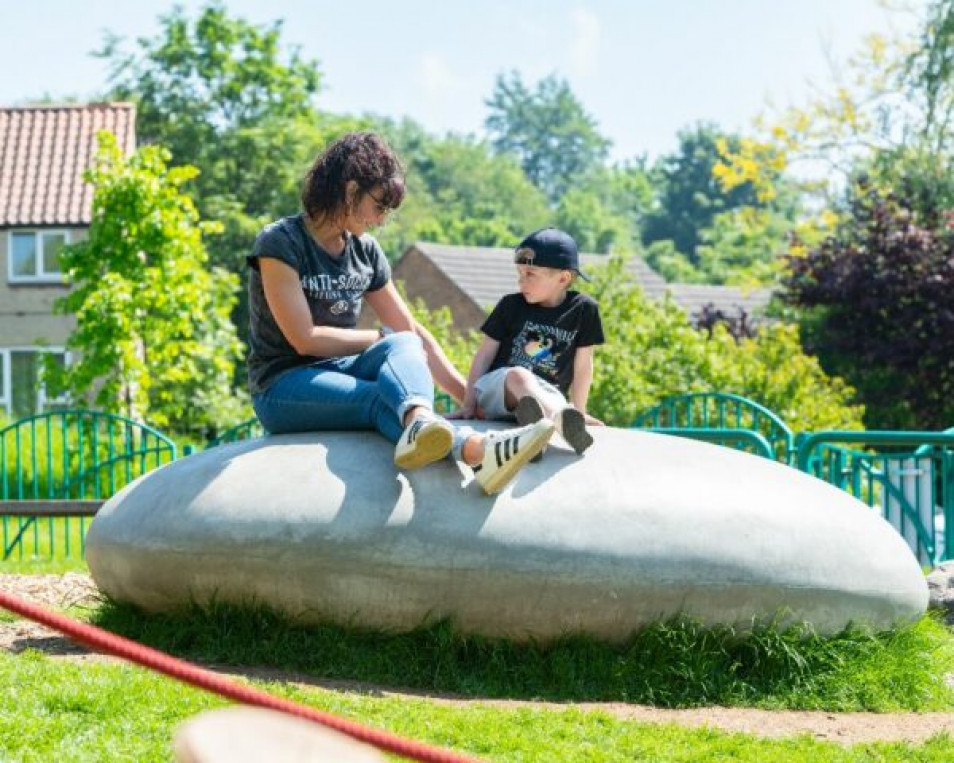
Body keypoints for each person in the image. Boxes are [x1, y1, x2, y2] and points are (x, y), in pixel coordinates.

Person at [246, 132, 554, 495]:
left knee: (403, 340)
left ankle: (421, 422)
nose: (381, 219)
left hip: (341, 369)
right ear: (349, 191)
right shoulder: (281, 242)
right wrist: (381, 337)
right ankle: (477, 451)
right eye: (379, 206)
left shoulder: (364, 251)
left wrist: (466, 396)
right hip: (283, 383)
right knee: (379, 397)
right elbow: (304, 339)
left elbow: (410, 333)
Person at [451, 228, 604, 456]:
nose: (521, 282)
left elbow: (583, 365)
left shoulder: (584, 310)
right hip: (499, 387)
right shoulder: (510, 305)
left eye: (530, 274)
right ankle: (555, 423)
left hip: (547, 394)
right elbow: (484, 355)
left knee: (545, 396)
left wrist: (579, 411)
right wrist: (469, 405)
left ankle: (537, 430)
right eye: (520, 274)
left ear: (563, 278)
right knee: (519, 375)